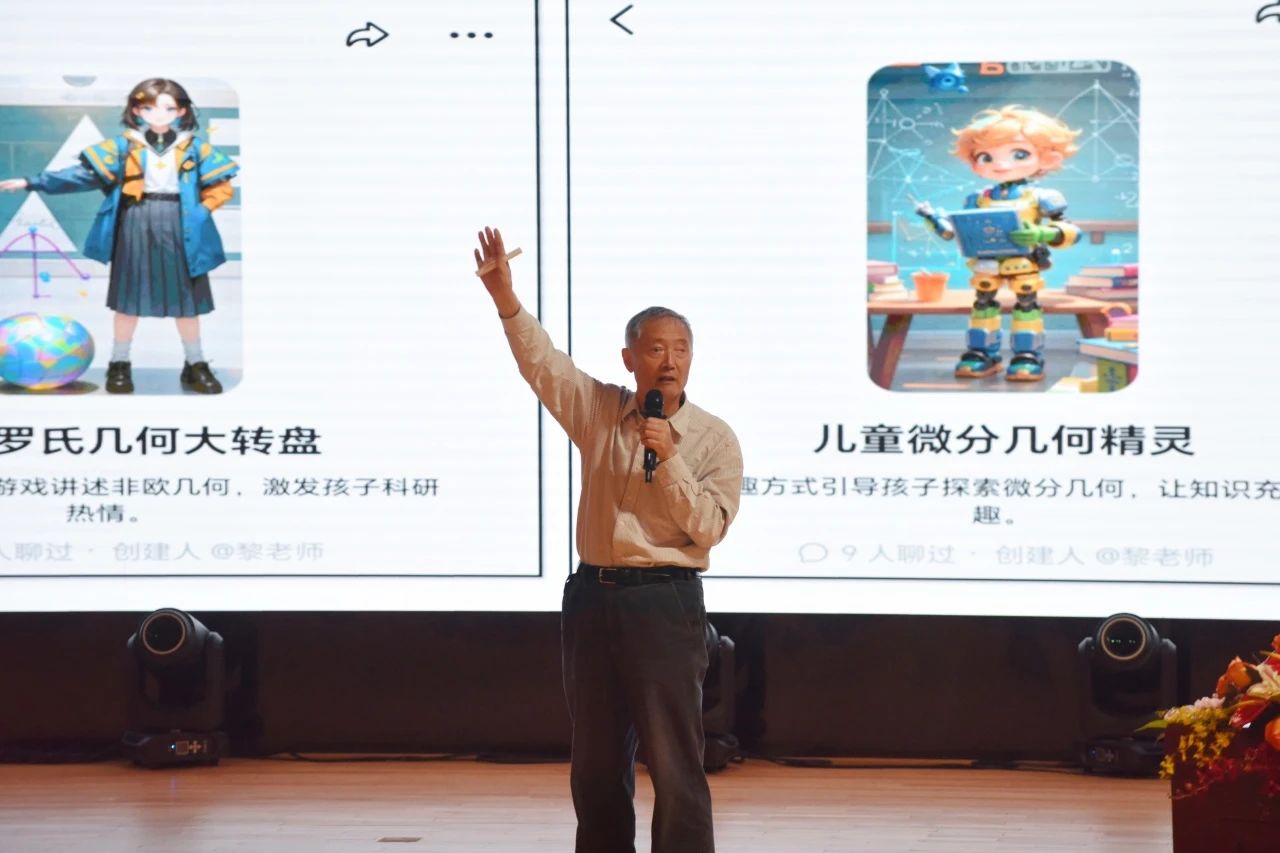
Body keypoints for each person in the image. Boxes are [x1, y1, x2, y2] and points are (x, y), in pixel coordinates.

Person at [474, 226, 743, 853]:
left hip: (666, 601)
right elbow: (543, 363)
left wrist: (668, 457)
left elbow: (708, 528)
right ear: (630, 358)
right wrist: (505, 298)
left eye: (681, 349)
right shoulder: (599, 411)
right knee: (594, 761)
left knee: (674, 761)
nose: (670, 361)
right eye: (656, 348)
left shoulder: (712, 438)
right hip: (593, 597)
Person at [0, 78, 239, 394]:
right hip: (135, 221)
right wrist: (33, 182)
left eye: (169, 108)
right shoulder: (123, 146)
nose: (159, 114)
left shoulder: (195, 147)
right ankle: (119, 361)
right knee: (128, 298)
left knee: (187, 299)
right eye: (149, 107)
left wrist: (202, 210)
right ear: (137, 110)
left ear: (181, 111)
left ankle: (195, 363)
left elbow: (221, 185)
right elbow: (82, 176)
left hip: (182, 224)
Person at [914, 104, 1081, 382]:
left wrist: (1043, 234)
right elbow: (956, 231)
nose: (1001, 164)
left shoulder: (1041, 196)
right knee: (983, 305)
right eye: (986, 156)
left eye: (1019, 154)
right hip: (986, 263)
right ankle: (982, 353)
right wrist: (934, 219)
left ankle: (1028, 356)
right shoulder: (978, 199)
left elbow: (1071, 230)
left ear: (1047, 158)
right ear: (974, 163)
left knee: (1026, 306)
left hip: (1024, 263)